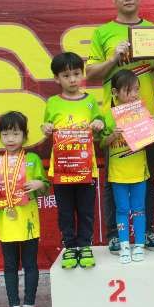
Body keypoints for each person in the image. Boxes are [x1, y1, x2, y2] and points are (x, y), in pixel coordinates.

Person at [87, 0, 154, 253]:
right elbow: (91, 74)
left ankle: (148, 231)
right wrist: (113, 59)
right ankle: (114, 234)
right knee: (114, 177)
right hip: (116, 118)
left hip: (147, 116)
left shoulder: (153, 30)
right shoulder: (103, 33)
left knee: (147, 175)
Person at [0, 111, 48, 307]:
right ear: (0, 136)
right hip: (6, 222)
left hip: (28, 221)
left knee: (30, 264)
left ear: (25, 136)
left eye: (16, 134)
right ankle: (13, 305)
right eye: (5, 134)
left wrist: (39, 184)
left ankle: (29, 304)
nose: (10, 139)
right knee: (9, 265)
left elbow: (46, 186)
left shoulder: (32, 159)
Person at [42, 52, 104, 269]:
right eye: (66, 75)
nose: (72, 79)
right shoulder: (52, 103)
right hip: (62, 169)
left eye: (76, 74)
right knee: (65, 211)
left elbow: (99, 124)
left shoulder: (90, 101)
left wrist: (99, 124)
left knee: (86, 210)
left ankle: (85, 245)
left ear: (82, 74)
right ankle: (69, 246)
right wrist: (46, 128)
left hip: (86, 168)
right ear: (56, 78)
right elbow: (46, 126)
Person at [100, 70, 152, 263]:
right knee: (122, 210)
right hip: (118, 173)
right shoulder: (108, 116)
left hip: (139, 170)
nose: (134, 94)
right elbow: (101, 143)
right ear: (115, 92)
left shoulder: (142, 111)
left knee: (139, 209)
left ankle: (139, 245)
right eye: (128, 91)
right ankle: (124, 245)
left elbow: (151, 137)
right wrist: (112, 136)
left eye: (137, 90)